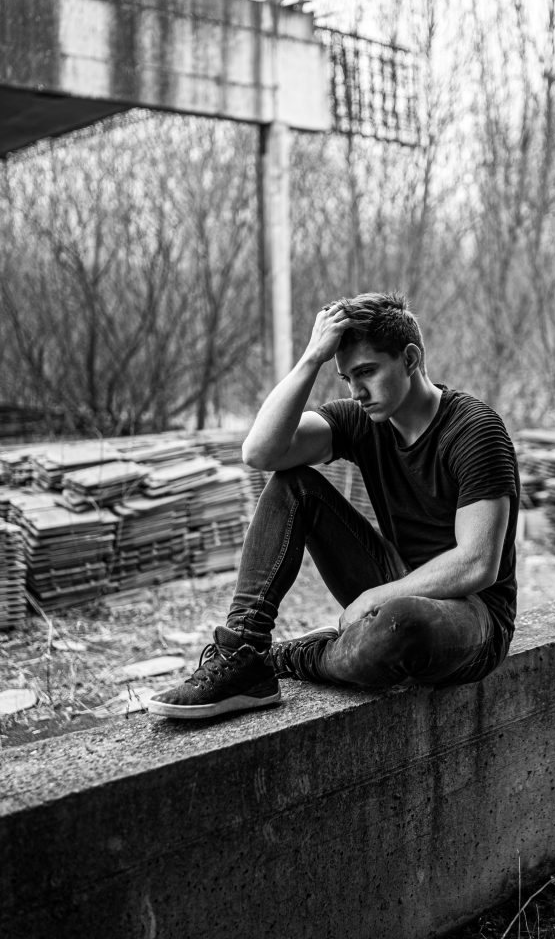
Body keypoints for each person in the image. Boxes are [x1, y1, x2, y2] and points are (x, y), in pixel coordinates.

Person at [148, 292, 519, 720]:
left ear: (411, 358)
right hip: (396, 581)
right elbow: (260, 453)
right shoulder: (363, 420)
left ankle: (295, 657)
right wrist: (311, 359)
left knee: (398, 627)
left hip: (473, 618)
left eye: (367, 372)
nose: (357, 391)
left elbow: (476, 564)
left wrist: (375, 597)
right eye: (346, 379)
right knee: (294, 484)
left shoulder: (475, 430)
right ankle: (244, 653)